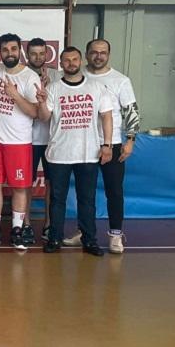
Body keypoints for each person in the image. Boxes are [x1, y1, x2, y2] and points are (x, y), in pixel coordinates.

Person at [37, 46, 114, 256]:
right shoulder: (53, 88)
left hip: (88, 153)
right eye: (67, 60)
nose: (71, 63)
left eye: (75, 59)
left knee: (87, 200)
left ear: (81, 61)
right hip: (58, 153)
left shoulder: (96, 87)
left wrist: (107, 145)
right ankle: (54, 238)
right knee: (57, 200)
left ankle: (89, 240)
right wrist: (42, 103)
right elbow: (44, 117)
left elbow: (107, 116)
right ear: (61, 64)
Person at [68, 38, 140, 254]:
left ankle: (115, 235)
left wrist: (130, 140)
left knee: (114, 191)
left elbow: (131, 110)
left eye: (103, 52)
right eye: (94, 52)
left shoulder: (120, 80)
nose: (98, 56)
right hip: (84, 143)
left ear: (108, 55)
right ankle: (84, 232)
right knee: (84, 193)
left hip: (113, 143)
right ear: (86, 54)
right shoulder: (78, 76)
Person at [0, 33, 41, 250]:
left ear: (20, 50)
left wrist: (14, 95)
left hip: (18, 141)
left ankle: (16, 230)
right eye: (5, 50)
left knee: (20, 187)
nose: (9, 53)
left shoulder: (29, 77)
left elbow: (35, 112)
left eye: (13, 49)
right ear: (0, 51)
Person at [26, 37, 58, 245]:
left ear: (46, 54)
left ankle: (49, 224)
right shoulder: (21, 75)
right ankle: (26, 224)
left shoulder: (57, 76)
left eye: (41, 53)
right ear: (27, 55)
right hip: (27, 139)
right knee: (25, 184)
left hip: (52, 139)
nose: (37, 57)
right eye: (33, 54)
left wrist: (49, 87)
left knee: (51, 184)